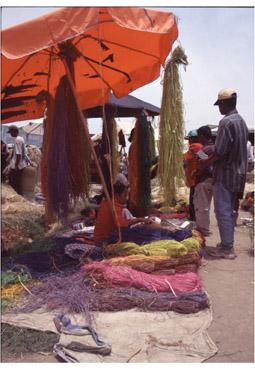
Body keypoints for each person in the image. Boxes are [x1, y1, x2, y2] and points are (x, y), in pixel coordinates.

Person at [203, 88, 249, 259]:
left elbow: (220, 152)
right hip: (238, 173)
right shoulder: (241, 121)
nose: (219, 109)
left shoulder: (226, 122)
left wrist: (204, 163)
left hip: (225, 174)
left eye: (219, 105)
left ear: (223, 103)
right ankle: (226, 244)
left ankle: (227, 248)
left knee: (222, 210)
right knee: (228, 210)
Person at [94, 181, 152, 245]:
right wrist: (140, 219)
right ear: (117, 195)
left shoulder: (107, 203)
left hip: (104, 238)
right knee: (139, 234)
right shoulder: (112, 206)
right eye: (125, 195)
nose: (127, 198)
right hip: (104, 241)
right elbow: (121, 225)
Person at [193, 126, 215, 236]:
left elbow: (203, 165)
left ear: (202, 135)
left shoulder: (205, 149)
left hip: (204, 181)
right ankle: (203, 228)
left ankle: (203, 230)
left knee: (202, 206)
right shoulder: (214, 147)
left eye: (199, 136)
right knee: (206, 205)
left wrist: (196, 173)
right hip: (212, 180)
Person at [183, 130, 203, 221]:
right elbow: (204, 157)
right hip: (197, 177)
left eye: (189, 139)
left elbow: (185, 158)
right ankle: (196, 218)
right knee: (196, 199)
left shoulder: (195, 147)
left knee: (193, 200)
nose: (188, 141)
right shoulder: (200, 147)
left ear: (192, 139)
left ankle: (193, 219)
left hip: (194, 178)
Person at [7, 125, 28, 195]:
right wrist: (10, 158)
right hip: (20, 164)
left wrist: (16, 166)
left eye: (11, 132)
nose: (10, 134)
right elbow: (16, 152)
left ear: (14, 131)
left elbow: (18, 154)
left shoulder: (18, 140)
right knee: (16, 182)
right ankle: (18, 195)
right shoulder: (20, 138)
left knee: (14, 182)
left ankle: (18, 195)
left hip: (18, 165)